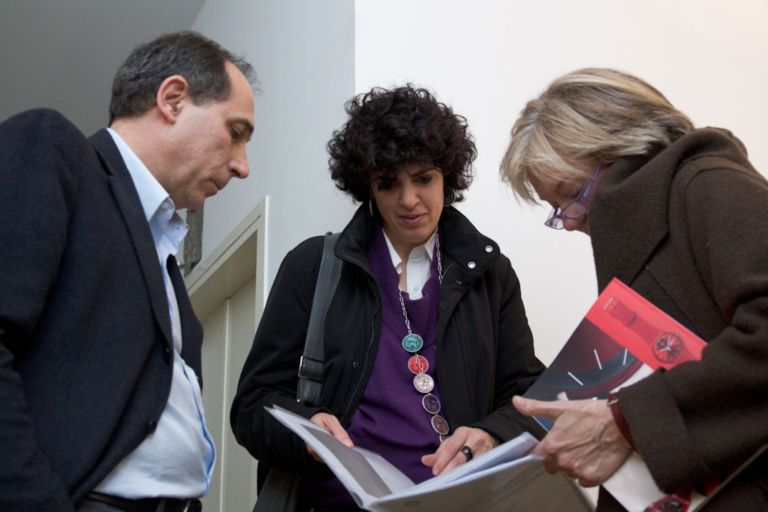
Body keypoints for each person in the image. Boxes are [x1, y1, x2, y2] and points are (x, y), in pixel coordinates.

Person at [231, 84, 544, 511]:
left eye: (423, 179)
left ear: (447, 177)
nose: (409, 200)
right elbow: (252, 407)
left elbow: (528, 395)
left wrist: (491, 434)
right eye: (388, 184)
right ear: (367, 188)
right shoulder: (313, 267)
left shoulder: (491, 274)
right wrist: (305, 432)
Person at [0, 31, 256, 512]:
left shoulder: (164, 254)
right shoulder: (53, 149)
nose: (242, 166)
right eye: (236, 132)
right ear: (173, 99)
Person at [500, 67, 768, 511]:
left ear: (619, 150)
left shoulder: (712, 185)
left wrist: (626, 420)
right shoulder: (648, 214)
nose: (568, 221)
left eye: (572, 195)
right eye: (555, 210)